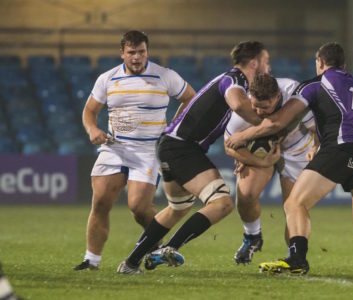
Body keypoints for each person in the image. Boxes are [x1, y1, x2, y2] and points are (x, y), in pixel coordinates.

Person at [227, 42, 353, 277]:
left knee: (294, 203)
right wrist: (318, 145)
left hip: (340, 148)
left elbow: (279, 121)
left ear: (319, 62)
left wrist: (243, 136)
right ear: (344, 64)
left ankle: (298, 259)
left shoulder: (314, 84)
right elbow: (334, 117)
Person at [116, 41, 274, 274]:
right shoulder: (234, 80)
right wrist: (270, 125)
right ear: (254, 62)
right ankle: (168, 248)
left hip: (170, 145)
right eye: (266, 61)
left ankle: (130, 263)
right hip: (182, 147)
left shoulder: (229, 80)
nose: (268, 68)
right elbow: (239, 105)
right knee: (222, 203)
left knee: (177, 208)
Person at [74, 30, 196, 270]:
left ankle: (155, 241)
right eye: (132, 52)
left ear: (147, 51)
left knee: (139, 207)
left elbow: (191, 98)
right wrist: (92, 130)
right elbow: (89, 111)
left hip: (148, 151)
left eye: (141, 52)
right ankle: (91, 261)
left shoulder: (165, 76)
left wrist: (174, 126)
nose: (137, 57)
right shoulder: (107, 79)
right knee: (100, 202)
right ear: (122, 53)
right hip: (114, 148)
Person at [224, 74, 318, 264]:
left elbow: (318, 129)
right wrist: (260, 162)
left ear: (277, 97)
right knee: (246, 193)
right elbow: (228, 145)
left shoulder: (295, 95)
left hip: (297, 151)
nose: (258, 112)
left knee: (295, 207)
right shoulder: (244, 110)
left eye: (264, 107)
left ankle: (294, 257)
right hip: (261, 154)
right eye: (255, 106)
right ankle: (252, 237)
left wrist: (316, 147)